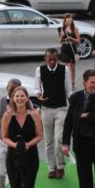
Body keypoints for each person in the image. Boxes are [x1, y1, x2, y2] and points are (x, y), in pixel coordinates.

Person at [2, 87, 42, 188]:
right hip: (13, 157)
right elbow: (4, 137)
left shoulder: (35, 114)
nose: (19, 98)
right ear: (12, 98)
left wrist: (27, 144)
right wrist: (16, 146)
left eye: (22, 96)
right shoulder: (7, 115)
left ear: (27, 98)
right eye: (16, 96)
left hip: (31, 156)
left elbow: (39, 136)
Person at [34, 48, 72, 179]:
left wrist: (72, 104)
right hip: (46, 109)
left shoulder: (64, 70)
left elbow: (68, 90)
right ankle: (51, 167)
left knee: (58, 139)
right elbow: (37, 88)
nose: (52, 62)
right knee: (48, 141)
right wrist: (39, 96)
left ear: (58, 59)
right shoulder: (40, 70)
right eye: (49, 59)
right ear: (45, 59)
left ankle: (60, 166)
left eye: (54, 59)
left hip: (61, 108)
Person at [59, 13, 80, 89]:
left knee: (72, 67)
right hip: (64, 47)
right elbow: (60, 41)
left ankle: (72, 83)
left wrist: (71, 39)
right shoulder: (62, 29)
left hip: (72, 48)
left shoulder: (75, 29)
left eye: (70, 18)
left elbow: (78, 41)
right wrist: (61, 35)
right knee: (63, 67)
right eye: (67, 19)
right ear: (65, 20)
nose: (69, 20)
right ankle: (64, 83)